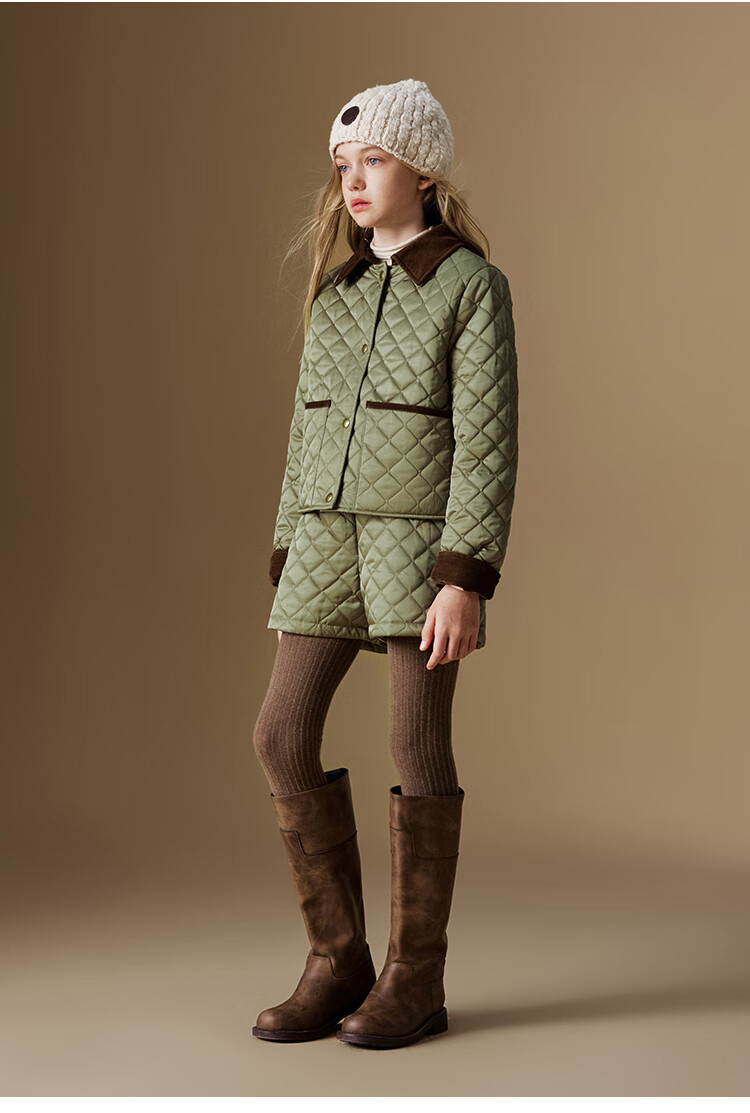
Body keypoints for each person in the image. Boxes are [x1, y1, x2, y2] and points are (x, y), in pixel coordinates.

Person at [251, 78, 519, 1050]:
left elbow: (486, 442)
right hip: (326, 540)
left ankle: (417, 977)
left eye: (373, 160)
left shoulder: (471, 286)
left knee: (415, 742)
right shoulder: (337, 294)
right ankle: (339, 960)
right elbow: (304, 433)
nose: (353, 180)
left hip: (417, 545)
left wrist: (463, 576)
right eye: (343, 165)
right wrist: (289, 542)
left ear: (424, 170)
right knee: (280, 735)